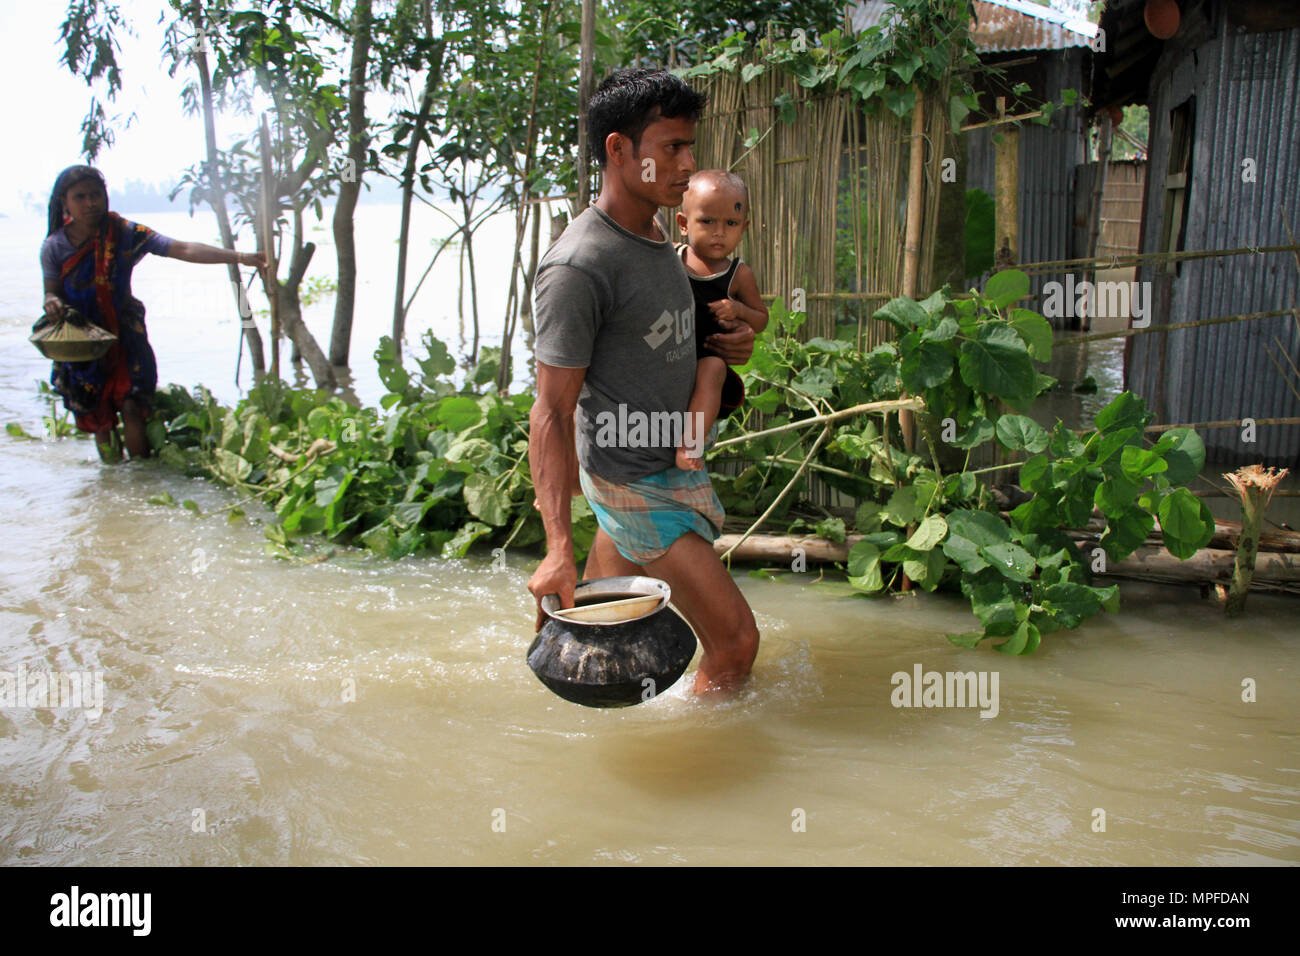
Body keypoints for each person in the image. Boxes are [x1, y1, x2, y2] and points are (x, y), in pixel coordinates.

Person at [527, 69, 760, 695]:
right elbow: (550, 411)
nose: (688, 164)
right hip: (634, 479)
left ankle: (604, 756)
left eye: (690, 146)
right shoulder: (580, 265)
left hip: (668, 463)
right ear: (618, 149)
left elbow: (668, 333)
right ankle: (698, 777)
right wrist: (556, 547)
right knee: (735, 644)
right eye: (671, 147)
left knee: (606, 633)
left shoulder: (659, 233)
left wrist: (733, 344)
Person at [39, 165, 265, 462]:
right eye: (80, 197)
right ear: (64, 202)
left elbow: (181, 248)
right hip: (83, 340)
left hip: (124, 334)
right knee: (100, 419)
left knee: (133, 406)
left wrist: (241, 257)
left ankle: (142, 480)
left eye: (96, 195)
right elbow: (51, 292)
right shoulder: (54, 247)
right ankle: (113, 483)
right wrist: (52, 303)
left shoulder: (125, 233)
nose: (90, 203)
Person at [672, 169, 768, 471]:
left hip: (708, 354)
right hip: (670, 353)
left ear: (744, 227)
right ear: (684, 224)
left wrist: (738, 310)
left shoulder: (739, 274)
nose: (719, 232)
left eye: (731, 223)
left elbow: (761, 318)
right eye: (707, 221)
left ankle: (690, 447)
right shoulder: (670, 258)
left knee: (713, 371)